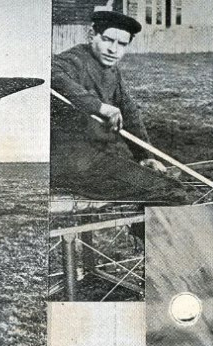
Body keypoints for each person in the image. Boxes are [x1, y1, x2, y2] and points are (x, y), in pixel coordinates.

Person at [51, 10, 192, 204]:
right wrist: (99, 107)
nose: (113, 50)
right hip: (73, 166)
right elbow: (51, 73)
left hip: (97, 161)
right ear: (92, 35)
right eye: (108, 40)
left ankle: (140, 234)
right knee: (171, 192)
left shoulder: (111, 71)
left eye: (122, 44)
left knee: (164, 183)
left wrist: (144, 156)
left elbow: (130, 114)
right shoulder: (74, 60)